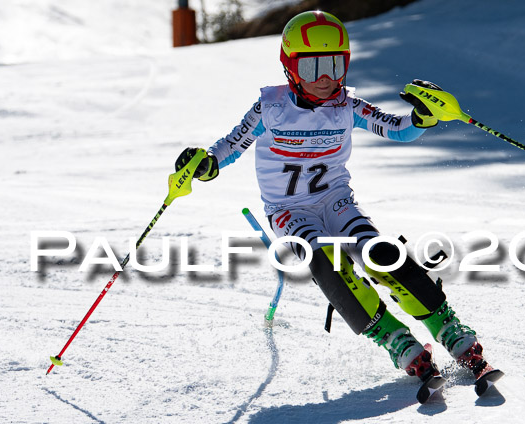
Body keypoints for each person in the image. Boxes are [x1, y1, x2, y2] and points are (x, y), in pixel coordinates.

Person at [176, 11, 494, 386]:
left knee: (380, 253)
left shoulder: (347, 106)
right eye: (312, 68)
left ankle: (448, 328)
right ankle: (394, 338)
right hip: (289, 213)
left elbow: (397, 129)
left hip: (337, 204)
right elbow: (231, 145)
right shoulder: (272, 107)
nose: (325, 78)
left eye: (334, 64)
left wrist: (421, 118)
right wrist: (208, 164)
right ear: (289, 68)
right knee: (325, 263)